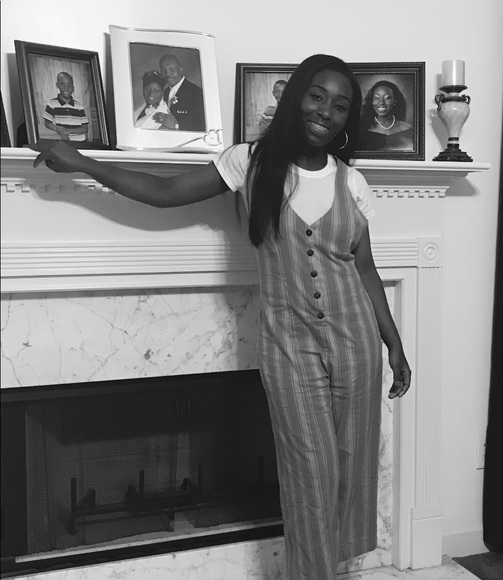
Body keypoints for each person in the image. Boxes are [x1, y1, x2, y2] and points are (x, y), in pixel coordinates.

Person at [31, 54, 411, 580]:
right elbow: (165, 193)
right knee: (309, 473)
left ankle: (333, 567)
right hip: (289, 348)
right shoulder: (250, 162)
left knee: (351, 464)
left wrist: (394, 343)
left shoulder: (352, 183)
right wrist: (84, 163)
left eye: (341, 106)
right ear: (296, 97)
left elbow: (364, 268)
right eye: (317, 96)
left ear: (348, 120)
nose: (326, 111)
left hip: (357, 343)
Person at [153, 54, 205, 132]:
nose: (167, 74)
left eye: (172, 70)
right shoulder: (166, 92)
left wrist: (177, 125)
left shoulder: (197, 93)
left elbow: (204, 126)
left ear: (181, 69)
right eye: (164, 71)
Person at [358, 80, 413, 151]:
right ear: (371, 101)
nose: (381, 102)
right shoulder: (362, 129)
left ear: (395, 101)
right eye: (377, 98)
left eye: (387, 98)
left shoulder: (407, 129)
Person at [43, 72, 89, 142]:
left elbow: (85, 128)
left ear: (73, 88)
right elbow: (47, 123)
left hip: (81, 141)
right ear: (57, 85)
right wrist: (59, 130)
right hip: (64, 142)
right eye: (62, 84)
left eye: (69, 85)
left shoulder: (79, 106)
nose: (66, 88)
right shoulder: (52, 104)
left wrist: (68, 131)